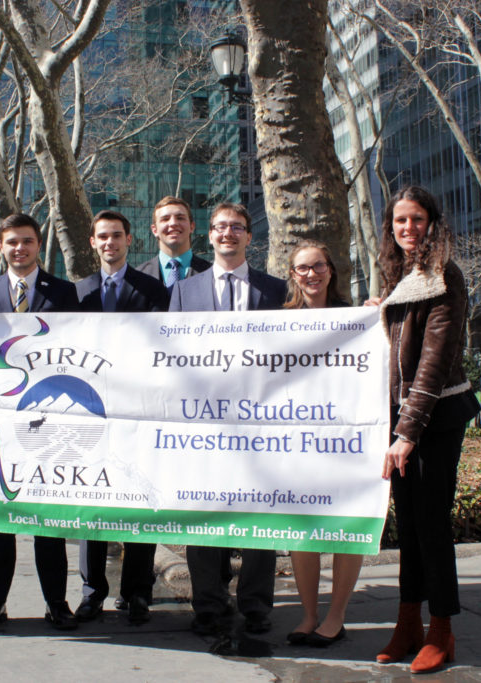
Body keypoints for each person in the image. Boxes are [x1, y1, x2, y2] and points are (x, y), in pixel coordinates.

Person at [366, 186, 479, 674]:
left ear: (433, 222)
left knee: (432, 526)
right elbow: (398, 353)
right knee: (408, 527)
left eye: (416, 219)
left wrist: (407, 432)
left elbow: (433, 364)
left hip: (433, 420)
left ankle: (442, 630)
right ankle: (407, 622)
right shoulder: (402, 276)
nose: (407, 228)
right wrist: (377, 316)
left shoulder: (443, 277)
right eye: (399, 221)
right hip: (400, 419)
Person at [169, 201, 286, 637]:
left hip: (261, 426)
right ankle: (209, 606)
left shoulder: (274, 291)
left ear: (249, 237)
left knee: (262, 517)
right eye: (220, 227)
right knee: (201, 515)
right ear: (210, 235)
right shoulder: (184, 292)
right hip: (203, 427)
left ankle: (256, 605)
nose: (227, 234)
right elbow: (170, 360)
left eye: (237, 227)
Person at [0, 213, 81, 632]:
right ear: (1, 247)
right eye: (12, 242)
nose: (20, 249)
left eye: (28, 241)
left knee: (48, 522)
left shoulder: (65, 292)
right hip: (2, 425)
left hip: (50, 424)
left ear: (40, 245)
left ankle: (57, 603)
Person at [74, 210, 168, 626]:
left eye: (117, 236)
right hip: (91, 414)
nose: (109, 243)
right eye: (102, 237)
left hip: (138, 413)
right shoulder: (77, 294)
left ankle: (137, 592)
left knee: (139, 502)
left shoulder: (154, 290)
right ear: (92, 243)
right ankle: (92, 591)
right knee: (90, 504)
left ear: (130, 240)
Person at [283, 240, 363, 648]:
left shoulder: (357, 320)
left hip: (346, 443)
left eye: (318, 266)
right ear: (292, 275)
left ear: (330, 270)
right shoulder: (279, 321)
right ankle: (309, 615)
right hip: (296, 443)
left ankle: (336, 616)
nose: (310, 274)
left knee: (347, 528)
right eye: (302, 269)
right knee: (302, 532)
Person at [136, 196, 211, 290]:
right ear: (154, 230)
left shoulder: (212, 273)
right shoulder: (138, 276)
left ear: (192, 226)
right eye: (165, 219)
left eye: (180, 218)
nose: (173, 223)